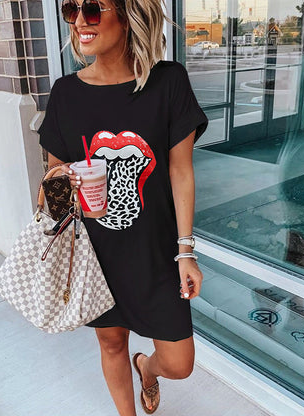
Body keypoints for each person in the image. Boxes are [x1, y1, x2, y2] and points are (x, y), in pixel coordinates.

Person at [38, 0, 208, 413]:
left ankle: (147, 368)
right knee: (112, 342)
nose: (80, 21)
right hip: (97, 254)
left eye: (93, 9)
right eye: (71, 9)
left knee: (179, 363)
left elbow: (181, 171)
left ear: (128, 15)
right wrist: (66, 185)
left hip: (156, 252)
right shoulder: (66, 93)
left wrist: (186, 250)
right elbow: (50, 191)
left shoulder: (169, 82)